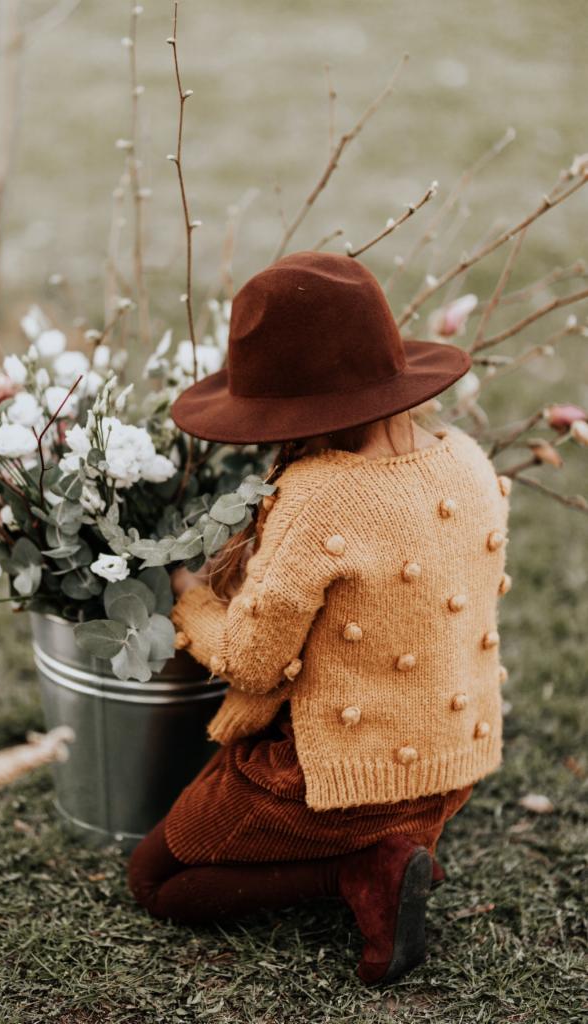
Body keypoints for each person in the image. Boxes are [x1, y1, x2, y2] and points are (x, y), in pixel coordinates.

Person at [128, 251, 510, 985]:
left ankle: (360, 867)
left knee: (155, 880)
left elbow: (252, 663)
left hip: (335, 783)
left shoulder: (319, 494)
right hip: (446, 767)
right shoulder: (464, 458)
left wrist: (188, 596)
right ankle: (399, 846)